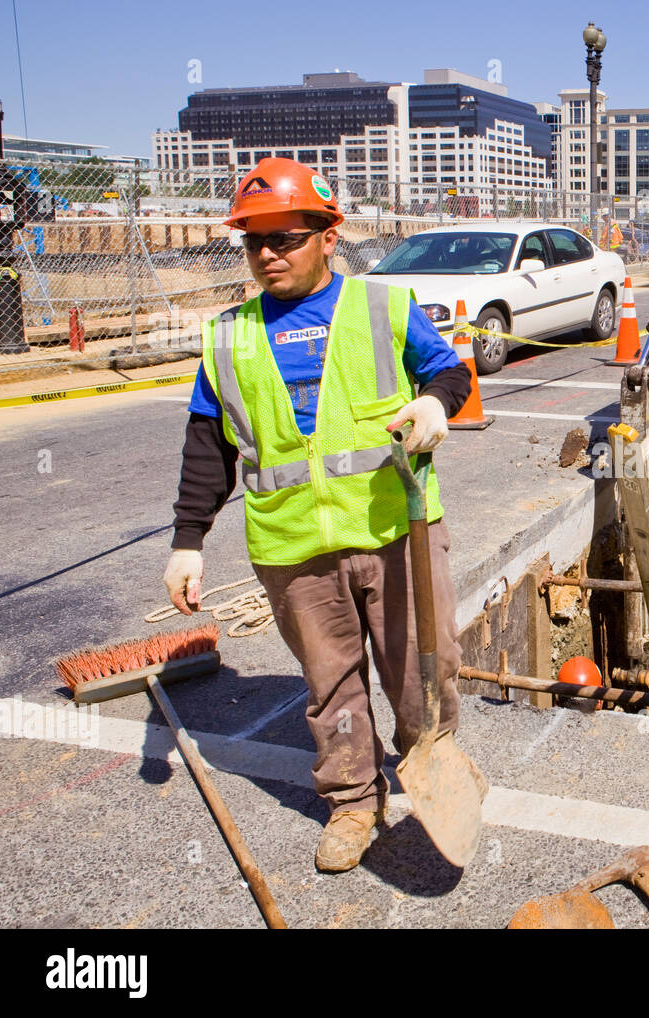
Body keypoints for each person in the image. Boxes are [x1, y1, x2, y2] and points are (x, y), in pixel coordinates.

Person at [163, 158, 482, 872]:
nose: (268, 254)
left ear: (329, 235)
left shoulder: (382, 307)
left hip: (394, 528)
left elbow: (450, 370)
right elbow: (206, 445)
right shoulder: (228, 337)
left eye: (285, 238)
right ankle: (351, 803)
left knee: (420, 668)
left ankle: (432, 760)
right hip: (292, 543)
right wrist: (188, 542)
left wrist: (436, 401)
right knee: (331, 680)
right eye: (253, 242)